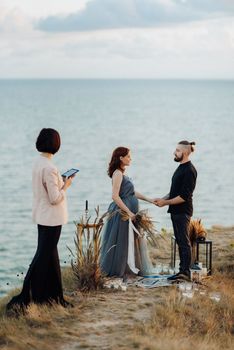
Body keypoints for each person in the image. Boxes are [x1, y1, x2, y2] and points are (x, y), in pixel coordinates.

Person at [7, 128, 75, 313]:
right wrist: (66, 185)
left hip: (42, 216)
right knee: (42, 257)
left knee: (51, 257)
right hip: (52, 218)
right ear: (56, 144)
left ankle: (55, 297)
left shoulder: (38, 162)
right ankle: (24, 298)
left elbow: (46, 189)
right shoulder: (50, 167)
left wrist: (59, 181)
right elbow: (54, 198)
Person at [100, 147, 154, 279]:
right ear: (121, 158)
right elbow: (115, 196)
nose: (131, 158)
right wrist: (129, 212)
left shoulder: (123, 174)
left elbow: (131, 192)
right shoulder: (117, 173)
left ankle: (130, 268)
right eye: (128, 156)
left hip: (130, 213)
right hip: (122, 214)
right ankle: (120, 270)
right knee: (122, 241)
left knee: (130, 241)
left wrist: (149, 199)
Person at [155, 140, 197, 281]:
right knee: (180, 241)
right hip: (175, 211)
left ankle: (185, 273)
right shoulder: (181, 167)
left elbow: (184, 196)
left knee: (184, 242)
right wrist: (162, 199)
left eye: (177, 150)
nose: (174, 152)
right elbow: (174, 192)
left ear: (184, 152)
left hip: (183, 211)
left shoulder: (190, 170)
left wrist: (165, 202)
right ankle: (181, 271)